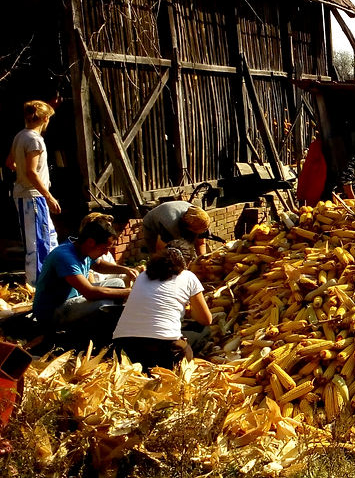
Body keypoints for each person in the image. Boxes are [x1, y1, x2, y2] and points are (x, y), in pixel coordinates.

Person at [32, 217, 137, 345]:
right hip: (54, 311)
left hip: (74, 298)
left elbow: (98, 265)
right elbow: (90, 292)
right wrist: (131, 292)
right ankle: (89, 334)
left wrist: (125, 270)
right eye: (104, 248)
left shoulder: (83, 249)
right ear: (91, 242)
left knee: (118, 284)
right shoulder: (64, 257)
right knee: (105, 304)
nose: (106, 253)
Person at [114, 240, 212, 370]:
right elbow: (206, 319)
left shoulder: (143, 275)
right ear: (187, 263)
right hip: (165, 353)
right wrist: (189, 311)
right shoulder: (188, 276)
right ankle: (181, 361)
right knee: (204, 330)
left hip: (124, 350)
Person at [6, 100, 60, 285]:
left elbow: (10, 163)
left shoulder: (20, 136)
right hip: (33, 196)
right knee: (38, 242)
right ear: (45, 118)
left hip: (24, 194)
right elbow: (31, 171)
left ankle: (50, 278)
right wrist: (49, 196)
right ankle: (38, 285)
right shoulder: (35, 140)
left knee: (47, 237)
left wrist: (19, 170)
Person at [142, 201, 212, 257]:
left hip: (175, 211)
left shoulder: (200, 221)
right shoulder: (169, 226)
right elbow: (161, 251)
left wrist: (201, 259)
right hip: (152, 223)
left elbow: (200, 243)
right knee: (157, 257)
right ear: (190, 228)